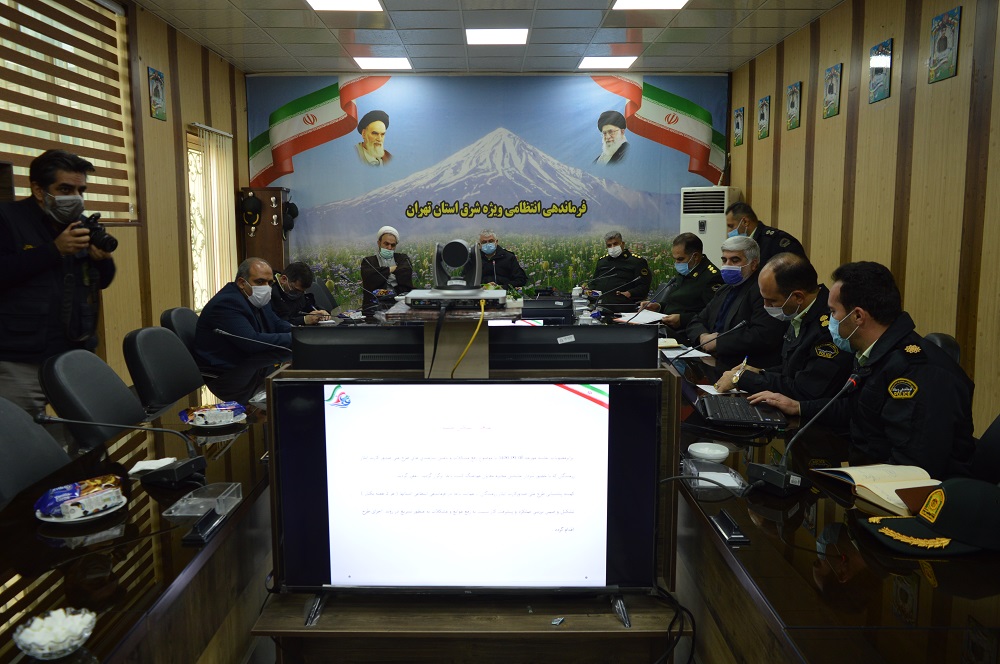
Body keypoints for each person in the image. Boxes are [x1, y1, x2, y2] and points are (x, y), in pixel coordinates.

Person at [748, 261, 975, 480]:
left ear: (857, 316)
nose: (831, 321)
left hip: (915, 499)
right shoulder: (876, 353)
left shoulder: (918, 373)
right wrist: (798, 407)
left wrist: (849, 482)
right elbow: (857, 409)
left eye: (833, 312)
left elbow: (914, 468)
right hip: (870, 472)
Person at [0, 149, 115, 421]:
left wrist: (102, 261)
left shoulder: (81, 225)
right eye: (65, 188)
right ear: (39, 190)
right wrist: (54, 251)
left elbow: (104, 281)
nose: (75, 197)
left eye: (80, 189)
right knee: (20, 441)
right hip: (21, 359)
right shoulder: (7, 219)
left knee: (90, 432)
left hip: (76, 352)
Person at [713, 253, 853, 400]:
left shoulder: (830, 327)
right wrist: (760, 372)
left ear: (798, 297)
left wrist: (742, 379)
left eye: (771, 301)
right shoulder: (798, 311)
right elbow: (792, 369)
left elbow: (806, 389)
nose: (766, 306)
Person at [684, 236, 786, 369]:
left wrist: (718, 342)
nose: (727, 265)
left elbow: (764, 335)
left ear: (753, 264)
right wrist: (702, 336)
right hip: (710, 360)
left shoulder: (762, 291)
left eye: (735, 260)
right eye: (724, 260)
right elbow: (696, 321)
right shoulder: (724, 289)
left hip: (740, 367)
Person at [194, 257, 291, 372]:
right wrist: (294, 338)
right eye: (260, 282)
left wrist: (304, 333)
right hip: (226, 374)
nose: (266, 287)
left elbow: (276, 323)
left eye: (270, 283)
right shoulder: (226, 303)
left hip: (253, 365)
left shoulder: (256, 297)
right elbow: (252, 342)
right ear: (241, 283)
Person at [637, 233, 722, 342]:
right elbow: (675, 302)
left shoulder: (712, 277)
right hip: (668, 327)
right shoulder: (687, 269)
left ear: (695, 256)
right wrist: (658, 306)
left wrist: (682, 319)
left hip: (687, 333)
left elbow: (713, 314)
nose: (677, 263)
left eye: (680, 259)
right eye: (675, 259)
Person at [725, 202, 806, 265]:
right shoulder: (742, 245)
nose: (728, 231)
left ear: (745, 222)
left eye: (731, 226)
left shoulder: (776, 242)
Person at [589, 231, 651, 309]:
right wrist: (590, 291)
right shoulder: (602, 262)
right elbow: (594, 282)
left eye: (615, 244)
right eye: (609, 245)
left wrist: (629, 293)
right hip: (600, 304)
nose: (612, 247)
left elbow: (644, 286)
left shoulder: (637, 262)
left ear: (622, 244)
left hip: (624, 305)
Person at [360, 225, 413, 315]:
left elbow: (405, 273)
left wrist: (383, 272)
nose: (389, 248)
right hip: (375, 306)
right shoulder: (368, 261)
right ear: (379, 243)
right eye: (386, 244)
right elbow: (370, 278)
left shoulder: (402, 258)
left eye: (393, 245)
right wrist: (391, 269)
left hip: (399, 304)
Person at [462, 229, 527, 289]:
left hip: (505, 293)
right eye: (484, 242)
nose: (488, 244)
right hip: (480, 294)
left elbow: (521, 280)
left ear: (496, 242)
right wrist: (482, 287)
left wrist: (503, 287)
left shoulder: (509, 257)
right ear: (479, 245)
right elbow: (465, 281)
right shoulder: (473, 259)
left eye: (491, 241)